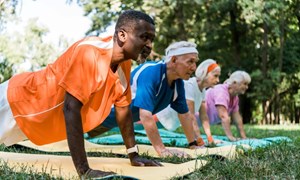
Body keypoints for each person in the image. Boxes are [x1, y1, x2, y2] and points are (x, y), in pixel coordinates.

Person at [0, 10, 161, 179]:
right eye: (144, 37)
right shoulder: (90, 53)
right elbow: (70, 109)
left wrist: (133, 154)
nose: (149, 45)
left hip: (33, 119)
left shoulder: (123, 64)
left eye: (151, 39)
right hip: (17, 101)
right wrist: (84, 170)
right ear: (122, 35)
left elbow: (123, 110)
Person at [88, 41, 202, 157]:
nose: (194, 67)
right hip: (96, 114)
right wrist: (162, 151)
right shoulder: (151, 72)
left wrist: (192, 144)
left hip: (110, 122)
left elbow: (184, 115)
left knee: (82, 136)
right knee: (72, 134)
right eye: (190, 61)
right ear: (173, 60)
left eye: (195, 62)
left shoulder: (178, 83)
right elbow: (145, 115)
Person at [155, 59, 221, 147]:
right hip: (160, 116)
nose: (218, 80)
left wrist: (210, 139)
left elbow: (204, 117)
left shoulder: (203, 90)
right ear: (205, 73)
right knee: (134, 124)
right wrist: (199, 141)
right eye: (215, 76)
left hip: (170, 121)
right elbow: (191, 117)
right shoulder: (190, 85)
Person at [205, 70, 251, 141]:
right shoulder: (221, 92)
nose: (247, 87)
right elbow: (223, 116)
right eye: (245, 84)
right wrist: (230, 137)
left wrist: (243, 137)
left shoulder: (235, 97)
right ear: (235, 83)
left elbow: (237, 118)